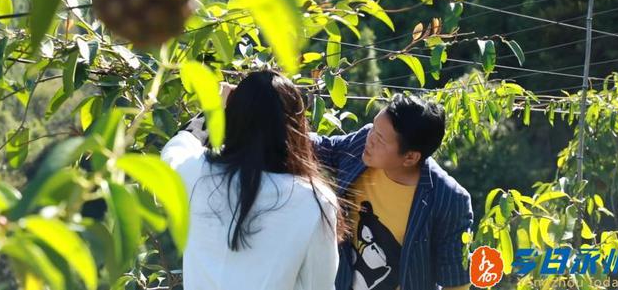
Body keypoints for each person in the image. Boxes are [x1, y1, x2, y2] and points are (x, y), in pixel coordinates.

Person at [161, 70, 340, 290]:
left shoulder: (198, 173)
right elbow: (319, 285)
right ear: (297, 127)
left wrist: (214, 110)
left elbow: (175, 149)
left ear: (233, 120)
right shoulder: (314, 200)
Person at [310, 94, 473, 290]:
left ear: (410, 157)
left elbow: (455, 281)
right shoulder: (365, 142)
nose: (370, 139)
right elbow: (327, 148)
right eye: (373, 128)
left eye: (379, 138)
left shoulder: (448, 199)